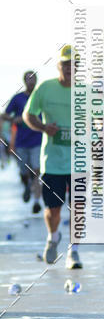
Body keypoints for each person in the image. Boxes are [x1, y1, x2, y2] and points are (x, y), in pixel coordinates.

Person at [23, 46, 83, 269]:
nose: (69, 68)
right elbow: (28, 115)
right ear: (59, 66)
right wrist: (44, 127)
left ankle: (74, 251)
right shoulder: (45, 88)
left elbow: (98, 120)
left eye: (74, 64)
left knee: (78, 207)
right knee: (53, 209)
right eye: (66, 64)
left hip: (79, 160)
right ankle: (53, 237)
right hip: (53, 160)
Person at [4, 71, 43, 214]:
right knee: (24, 170)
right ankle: (27, 185)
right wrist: (15, 119)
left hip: (38, 140)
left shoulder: (41, 97)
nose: (31, 82)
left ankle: (37, 202)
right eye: (28, 79)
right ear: (24, 81)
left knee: (37, 169)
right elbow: (5, 114)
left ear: (37, 80)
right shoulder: (18, 98)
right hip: (21, 142)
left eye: (33, 79)